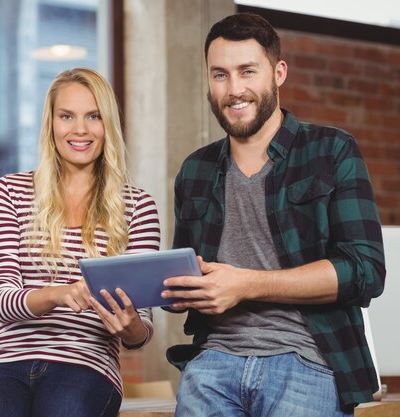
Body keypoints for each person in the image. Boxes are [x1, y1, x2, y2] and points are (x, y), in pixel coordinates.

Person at [160, 12, 386, 417]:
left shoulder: (331, 151)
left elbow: (365, 271)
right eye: (220, 75)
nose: (234, 89)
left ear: (278, 72)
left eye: (248, 71)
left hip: (307, 359)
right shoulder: (194, 170)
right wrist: (163, 292)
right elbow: (186, 277)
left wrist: (246, 284)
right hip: (213, 362)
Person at [0, 67, 161, 417]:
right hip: (9, 361)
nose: (80, 129)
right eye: (67, 116)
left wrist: (129, 323)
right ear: (51, 124)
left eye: (93, 116)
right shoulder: (9, 193)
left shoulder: (138, 206)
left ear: (108, 126)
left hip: (88, 363)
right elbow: (0, 301)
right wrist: (60, 293)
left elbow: (140, 332)